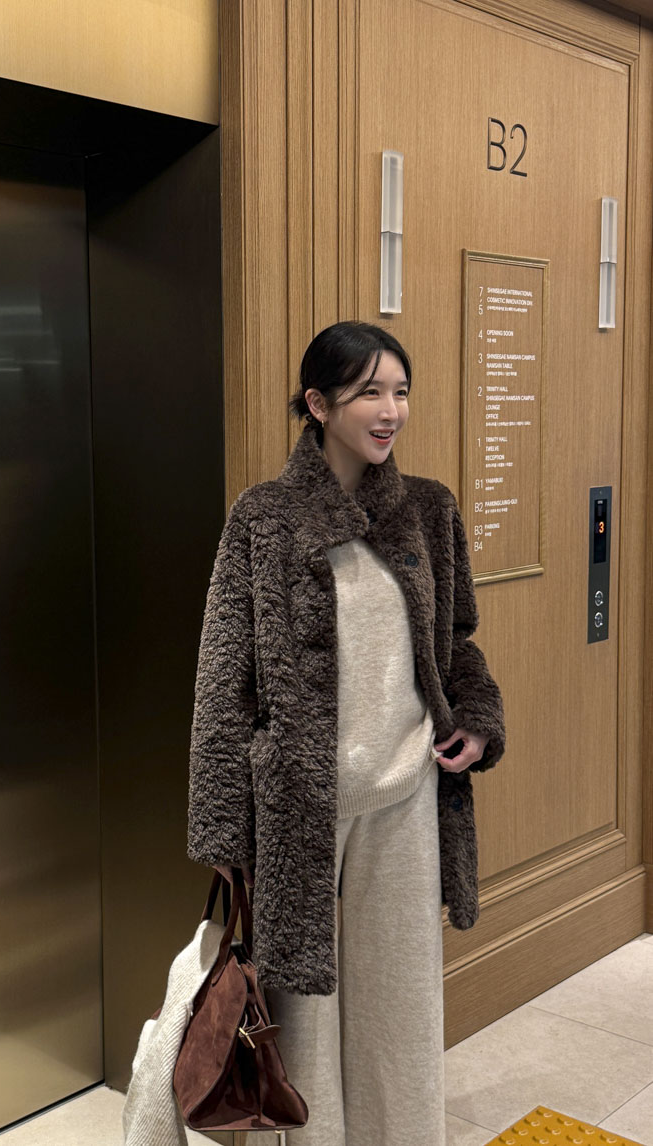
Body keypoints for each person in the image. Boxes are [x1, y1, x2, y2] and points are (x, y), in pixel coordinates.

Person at [187, 321, 506, 1145]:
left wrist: (476, 720)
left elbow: (457, 643)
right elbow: (224, 678)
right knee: (306, 1023)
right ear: (319, 404)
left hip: (407, 793)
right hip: (300, 809)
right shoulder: (263, 518)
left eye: (401, 391)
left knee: (401, 1003)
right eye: (370, 392)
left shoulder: (429, 509)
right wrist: (223, 830)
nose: (391, 410)